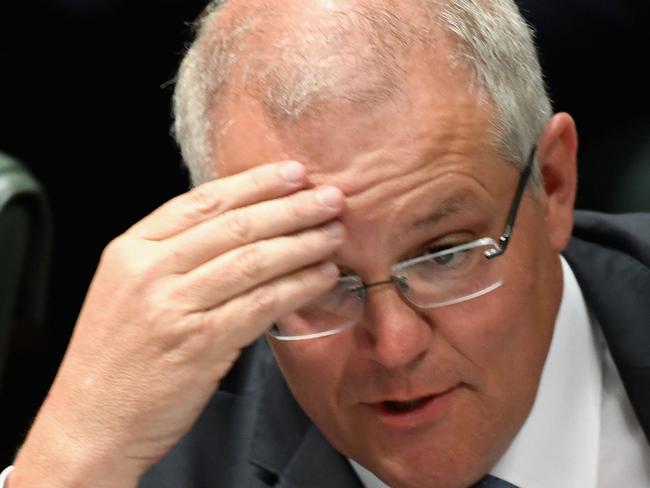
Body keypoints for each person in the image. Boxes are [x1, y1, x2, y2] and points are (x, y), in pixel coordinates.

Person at [4, 0, 650, 486]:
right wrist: (65, 461)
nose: (394, 346)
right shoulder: (154, 465)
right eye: (318, 278)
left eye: (445, 255)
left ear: (554, 184)